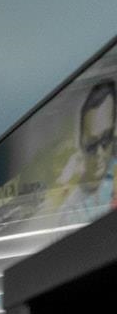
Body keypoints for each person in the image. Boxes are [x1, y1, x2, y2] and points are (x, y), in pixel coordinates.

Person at [53, 79, 117, 217]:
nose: (100, 153)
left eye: (106, 139)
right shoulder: (71, 213)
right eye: (92, 145)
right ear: (80, 144)